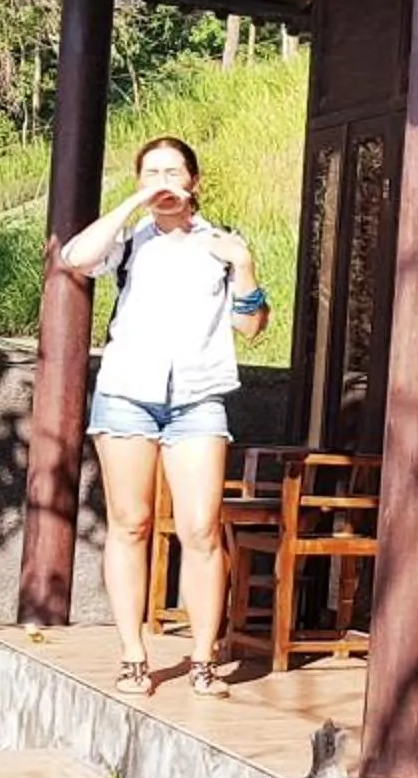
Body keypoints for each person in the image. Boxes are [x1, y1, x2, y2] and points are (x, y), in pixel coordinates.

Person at [58, 136, 268, 699]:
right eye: (152, 172)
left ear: (194, 181)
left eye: (174, 171)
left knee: (201, 527)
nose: (164, 181)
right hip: (127, 393)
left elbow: (251, 326)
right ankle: (133, 656)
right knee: (131, 523)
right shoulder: (128, 243)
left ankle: (202, 660)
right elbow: (74, 258)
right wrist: (133, 202)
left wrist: (244, 267)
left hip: (198, 397)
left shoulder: (221, 245)